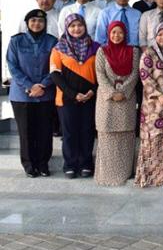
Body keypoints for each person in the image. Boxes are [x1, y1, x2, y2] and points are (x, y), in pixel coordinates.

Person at [8, 10, 57, 177]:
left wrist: (42, 85)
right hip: (22, 95)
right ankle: (29, 165)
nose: (37, 24)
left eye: (40, 21)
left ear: (45, 23)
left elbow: (55, 66)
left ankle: (43, 164)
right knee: (26, 131)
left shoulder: (52, 41)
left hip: (46, 94)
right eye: (33, 20)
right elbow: (13, 66)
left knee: (44, 130)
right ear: (27, 22)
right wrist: (29, 86)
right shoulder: (16, 41)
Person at [50, 14, 99, 179]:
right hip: (66, 98)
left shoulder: (96, 47)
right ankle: (69, 165)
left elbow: (101, 73)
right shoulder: (58, 48)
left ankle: (86, 163)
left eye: (79, 25)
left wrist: (92, 91)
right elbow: (55, 75)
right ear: (67, 28)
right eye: (72, 26)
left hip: (90, 97)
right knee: (69, 132)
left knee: (87, 131)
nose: (76, 29)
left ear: (85, 26)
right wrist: (73, 94)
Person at [94, 21, 140, 186]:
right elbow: (99, 74)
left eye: (120, 32)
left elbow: (135, 73)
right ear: (108, 33)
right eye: (113, 32)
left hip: (126, 100)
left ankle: (124, 172)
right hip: (107, 101)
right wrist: (112, 93)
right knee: (107, 134)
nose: (116, 36)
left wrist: (124, 92)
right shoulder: (102, 51)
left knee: (125, 134)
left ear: (125, 34)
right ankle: (106, 174)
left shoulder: (133, 51)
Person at [135, 23, 163, 187]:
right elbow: (145, 77)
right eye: (160, 35)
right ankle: (151, 172)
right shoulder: (148, 53)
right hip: (153, 105)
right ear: (155, 36)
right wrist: (160, 96)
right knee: (154, 136)